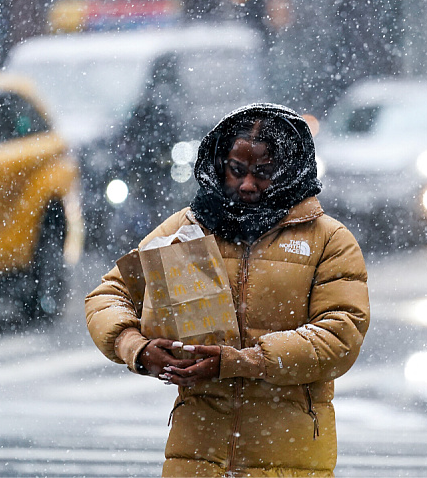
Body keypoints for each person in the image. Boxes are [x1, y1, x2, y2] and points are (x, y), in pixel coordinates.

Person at [85, 103, 370, 476]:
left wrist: (242, 362)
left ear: (292, 171)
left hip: (289, 462)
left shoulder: (329, 241)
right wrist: (137, 350)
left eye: (264, 173)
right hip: (196, 461)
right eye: (237, 170)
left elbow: (340, 337)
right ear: (220, 165)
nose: (247, 184)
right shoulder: (188, 229)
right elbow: (107, 296)